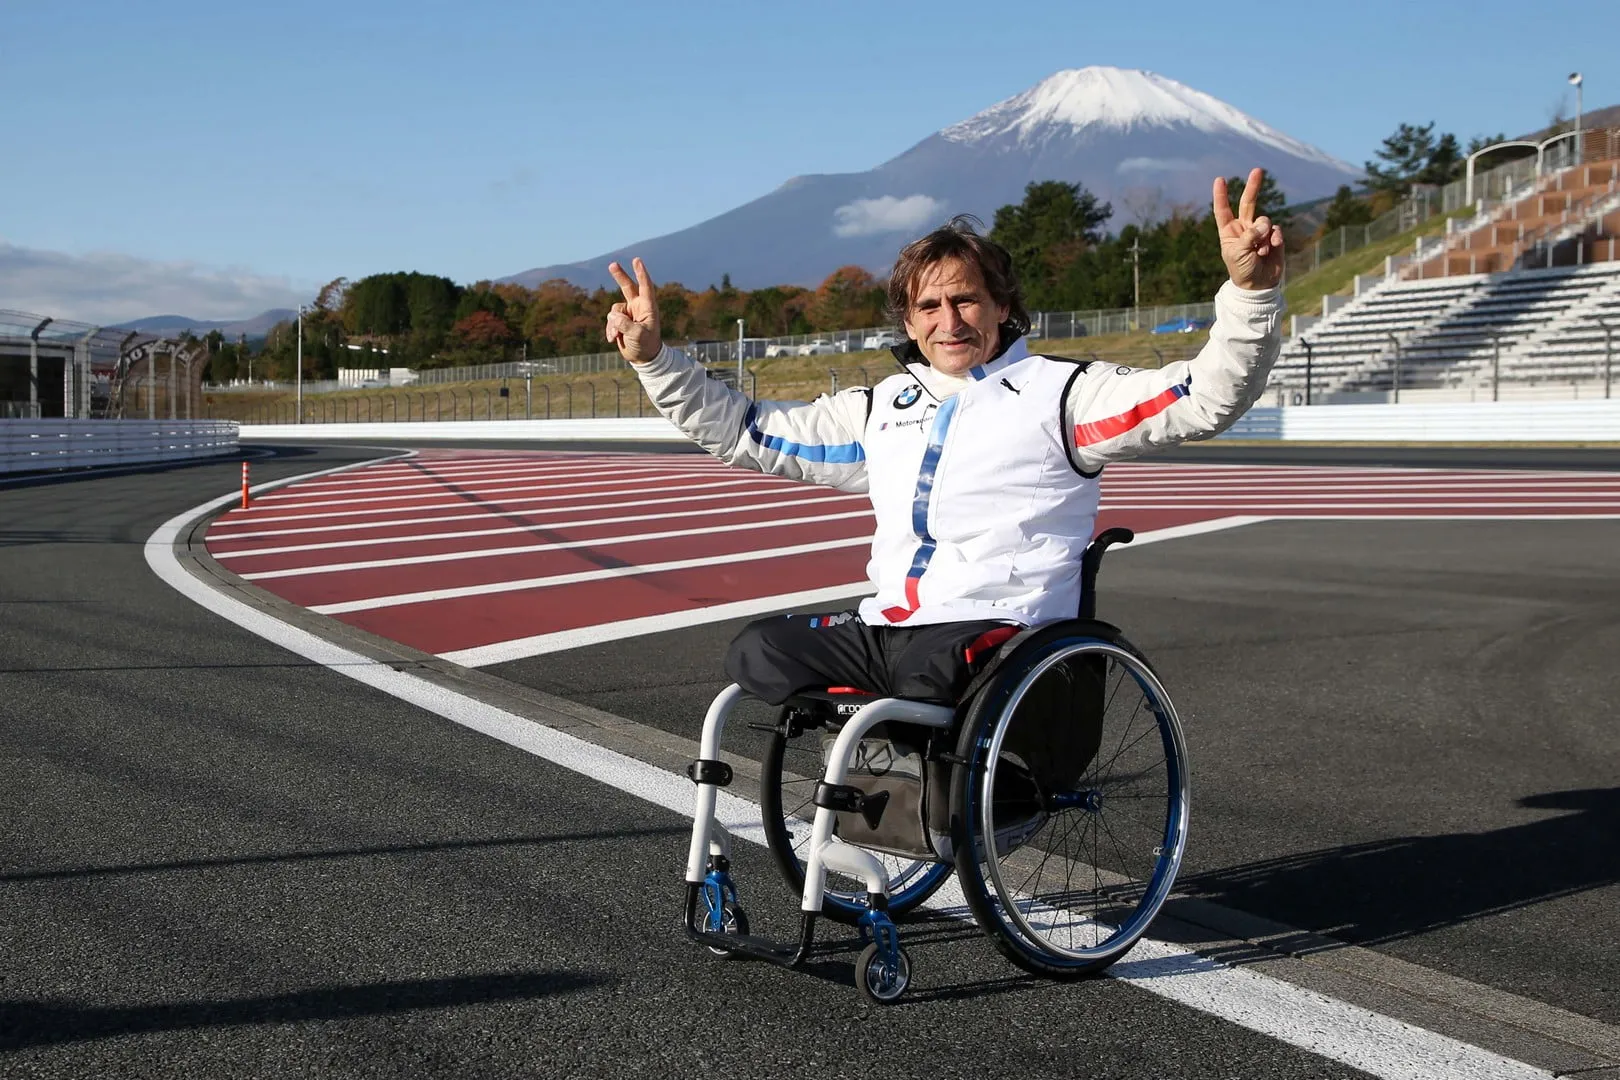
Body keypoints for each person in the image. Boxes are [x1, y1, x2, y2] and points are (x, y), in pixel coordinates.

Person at [605, 168, 1285, 708]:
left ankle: (935, 796)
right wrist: (653, 361)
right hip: (893, 628)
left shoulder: (1065, 394)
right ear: (908, 319)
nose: (949, 320)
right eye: (929, 305)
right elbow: (747, 432)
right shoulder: (880, 408)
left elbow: (1202, 398)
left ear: (1002, 306)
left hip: (1001, 637)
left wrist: (1249, 295)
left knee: (930, 673)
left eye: (966, 300)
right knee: (758, 649)